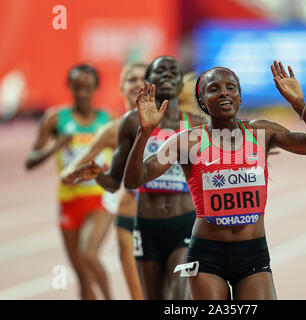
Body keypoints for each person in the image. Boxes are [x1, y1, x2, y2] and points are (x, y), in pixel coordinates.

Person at [123, 60, 306, 300]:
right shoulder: (188, 141)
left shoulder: (262, 132)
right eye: (214, 88)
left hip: (252, 252)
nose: (224, 92)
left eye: (231, 87)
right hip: (207, 256)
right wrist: (144, 132)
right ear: (203, 101)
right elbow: (134, 180)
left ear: (240, 96)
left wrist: (299, 104)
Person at [72, 56, 206, 299]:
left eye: (173, 71)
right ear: (148, 81)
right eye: (160, 70)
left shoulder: (196, 125)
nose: (166, 74)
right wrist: (98, 176)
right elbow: (115, 181)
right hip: (146, 226)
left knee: (179, 295)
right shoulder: (131, 122)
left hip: (185, 224)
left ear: (179, 82)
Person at [25, 64, 114, 300]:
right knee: (82, 276)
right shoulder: (55, 118)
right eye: (77, 88)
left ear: (96, 88)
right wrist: (54, 147)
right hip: (68, 201)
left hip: (99, 199)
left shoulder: (107, 120)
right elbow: (29, 161)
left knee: (89, 254)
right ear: (70, 87)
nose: (82, 94)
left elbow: (123, 156)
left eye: (88, 88)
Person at [60, 62, 147, 300]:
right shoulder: (111, 130)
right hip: (130, 218)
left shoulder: (171, 125)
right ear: (121, 86)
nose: (138, 83)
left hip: (171, 219)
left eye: (143, 78)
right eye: (131, 79)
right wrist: (77, 172)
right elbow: (73, 168)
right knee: (138, 295)